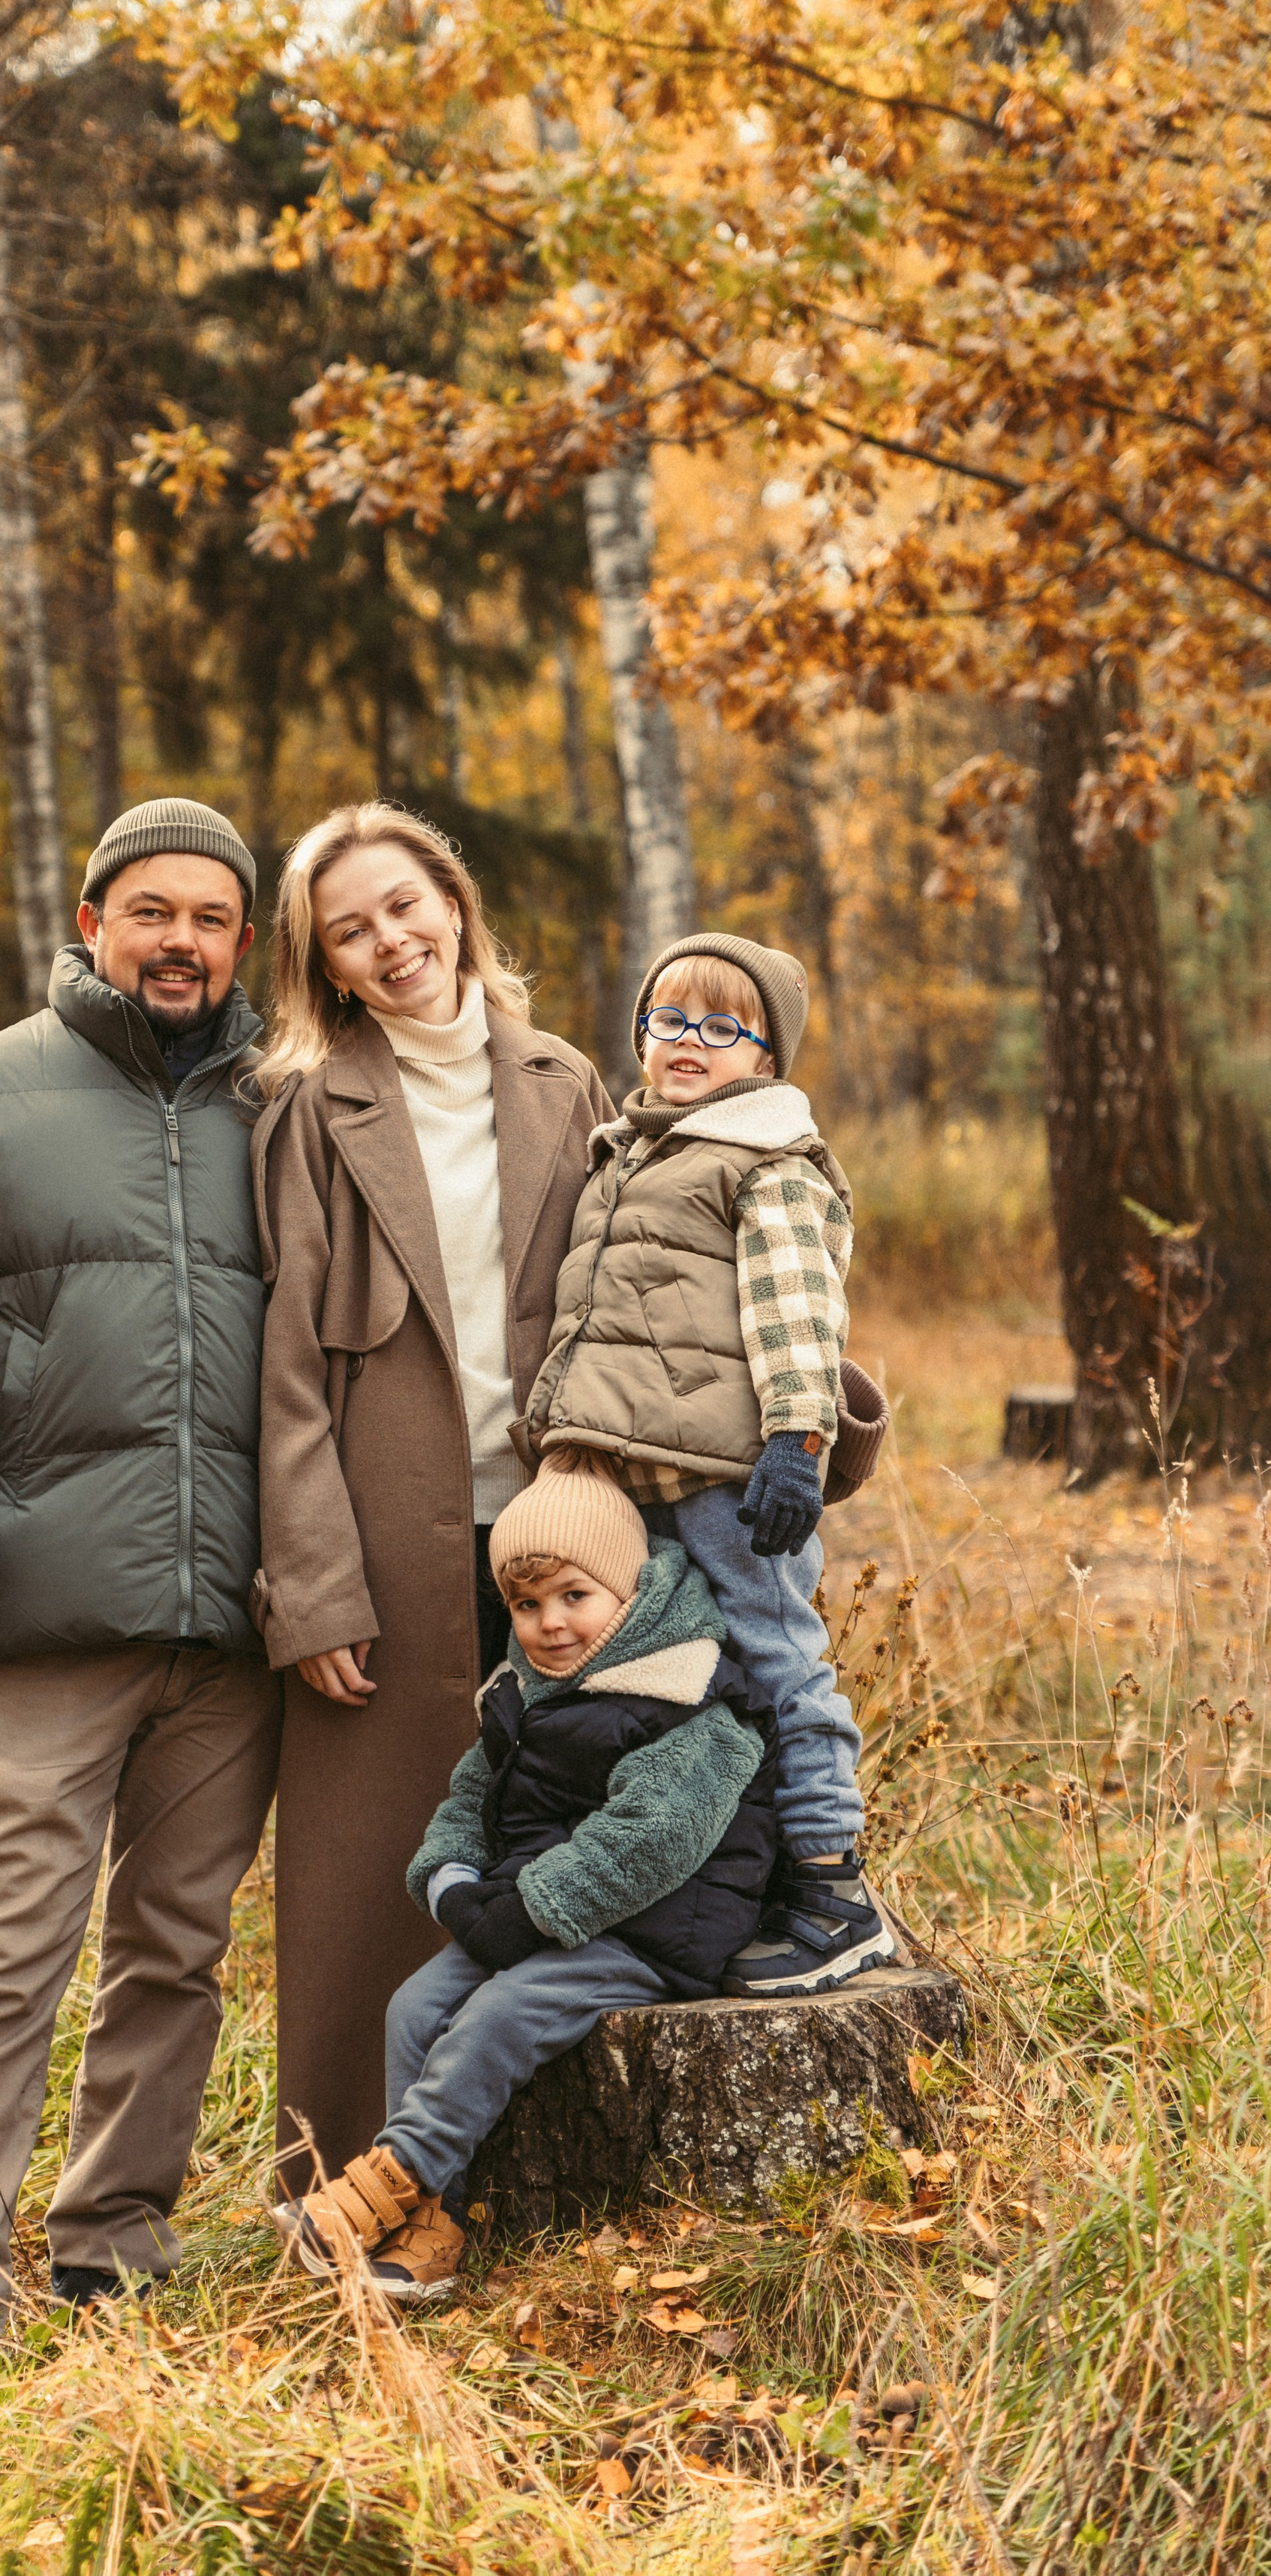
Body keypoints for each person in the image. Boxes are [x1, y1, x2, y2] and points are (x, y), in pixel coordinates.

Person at [0, 796, 284, 2341]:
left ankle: (113, 2240)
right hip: (33, 1603)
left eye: (211, 916)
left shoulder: (280, 1104)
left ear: (243, 942)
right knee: (1, 1950)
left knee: (177, 1949)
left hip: (232, 1617)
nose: (179, 941)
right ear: (92, 921)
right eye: (150, 909)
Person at [248, 802, 616, 2186]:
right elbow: (284, 1371)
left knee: (570, 1833)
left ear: (453, 901)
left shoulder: (561, 1078)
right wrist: (312, 1588)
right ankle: (347, 2181)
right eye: (352, 928)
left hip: (558, 1528)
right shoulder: (305, 1105)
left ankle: (542, 2171)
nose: (391, 940)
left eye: (405, 905)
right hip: (380, 1532)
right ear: (327, 965)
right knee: (369, 1872)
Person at [275, 1462, 776, 2301]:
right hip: (535, 1914)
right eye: (526, 1604)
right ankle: (434, 2222)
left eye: (575, 1595)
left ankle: (393, 2177)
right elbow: (472, 1792)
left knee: (500, 2014)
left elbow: (648, 1838)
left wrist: (530, 1912)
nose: (550, 1623)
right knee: (416, 2008)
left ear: (633, 1586)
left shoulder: (689, 1689)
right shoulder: (527, 1691)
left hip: (649, 1930)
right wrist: (453, 1883)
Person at [524, 931, 893, 1995]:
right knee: (692, 1682)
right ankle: (745, 1875)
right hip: (640, 1475)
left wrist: (797, 1437)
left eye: (723, 1026)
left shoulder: (769, 1160)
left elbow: (797, 1307)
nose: (689, 1041)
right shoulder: (631, 1148)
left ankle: (835, 1887)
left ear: (767, 1057)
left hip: (733, 1475)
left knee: (781, 1660)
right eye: (669, 1018)